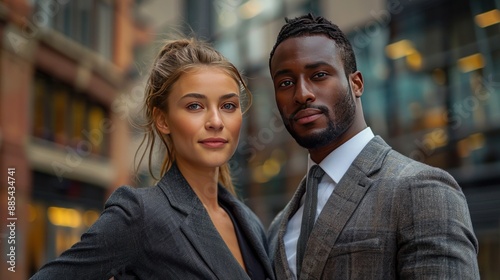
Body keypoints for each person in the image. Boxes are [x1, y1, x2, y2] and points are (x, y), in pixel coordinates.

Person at [31, 38, 274, 280]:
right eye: (195, 106)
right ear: (163, 120)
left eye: (228, 106)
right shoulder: (141, 214)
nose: (216, 121)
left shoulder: (250, 222)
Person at [267, 13, 479, 279]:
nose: (302, 94)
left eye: (319, 75)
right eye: (285, 83)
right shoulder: (278, 227)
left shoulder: (422, 189)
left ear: (356, 84)